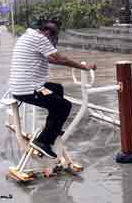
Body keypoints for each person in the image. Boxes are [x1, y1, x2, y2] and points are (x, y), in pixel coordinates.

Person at [9, 21, 97, 158]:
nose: (54, 42)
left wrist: (65, 61)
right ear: (48, 33)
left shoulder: (28, 36)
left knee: (57, 89)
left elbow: (53, 59)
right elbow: (60, 58)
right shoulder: (40, 38)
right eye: (54, 38)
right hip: (28, 89)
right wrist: (84, 67)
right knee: (64, 106)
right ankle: (43, 142)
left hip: (22, 86)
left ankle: (53, 129)